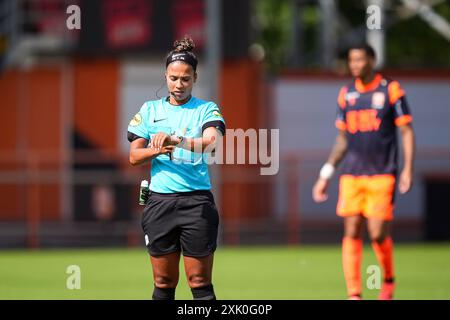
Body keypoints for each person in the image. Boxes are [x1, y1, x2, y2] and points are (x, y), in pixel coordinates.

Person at [312, 44, 415, 300]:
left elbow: (406, 131)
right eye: (351, 60)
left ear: (371, 60)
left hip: (382, 172)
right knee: (351, 229)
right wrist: (325, 174)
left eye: (359, 59)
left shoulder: (391, 89)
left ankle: (388, 280)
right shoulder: (346, 94)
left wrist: (407, 169)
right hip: (352, 175)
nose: (355, 64)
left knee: (378, 233)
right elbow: (342, 139)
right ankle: (354, 293)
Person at [127, 36, 225, 300]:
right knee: (163, 282)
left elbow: (212, 145)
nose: (178, 84)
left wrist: (176, 140)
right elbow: (134, 157)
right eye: (173, 78)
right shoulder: (149, 110)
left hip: (196, 203)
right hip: (160, 203)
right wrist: (156, 149)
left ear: (195, 78)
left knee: (199, 282)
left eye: (185, 79)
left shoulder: (206, 109)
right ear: (165, 76)